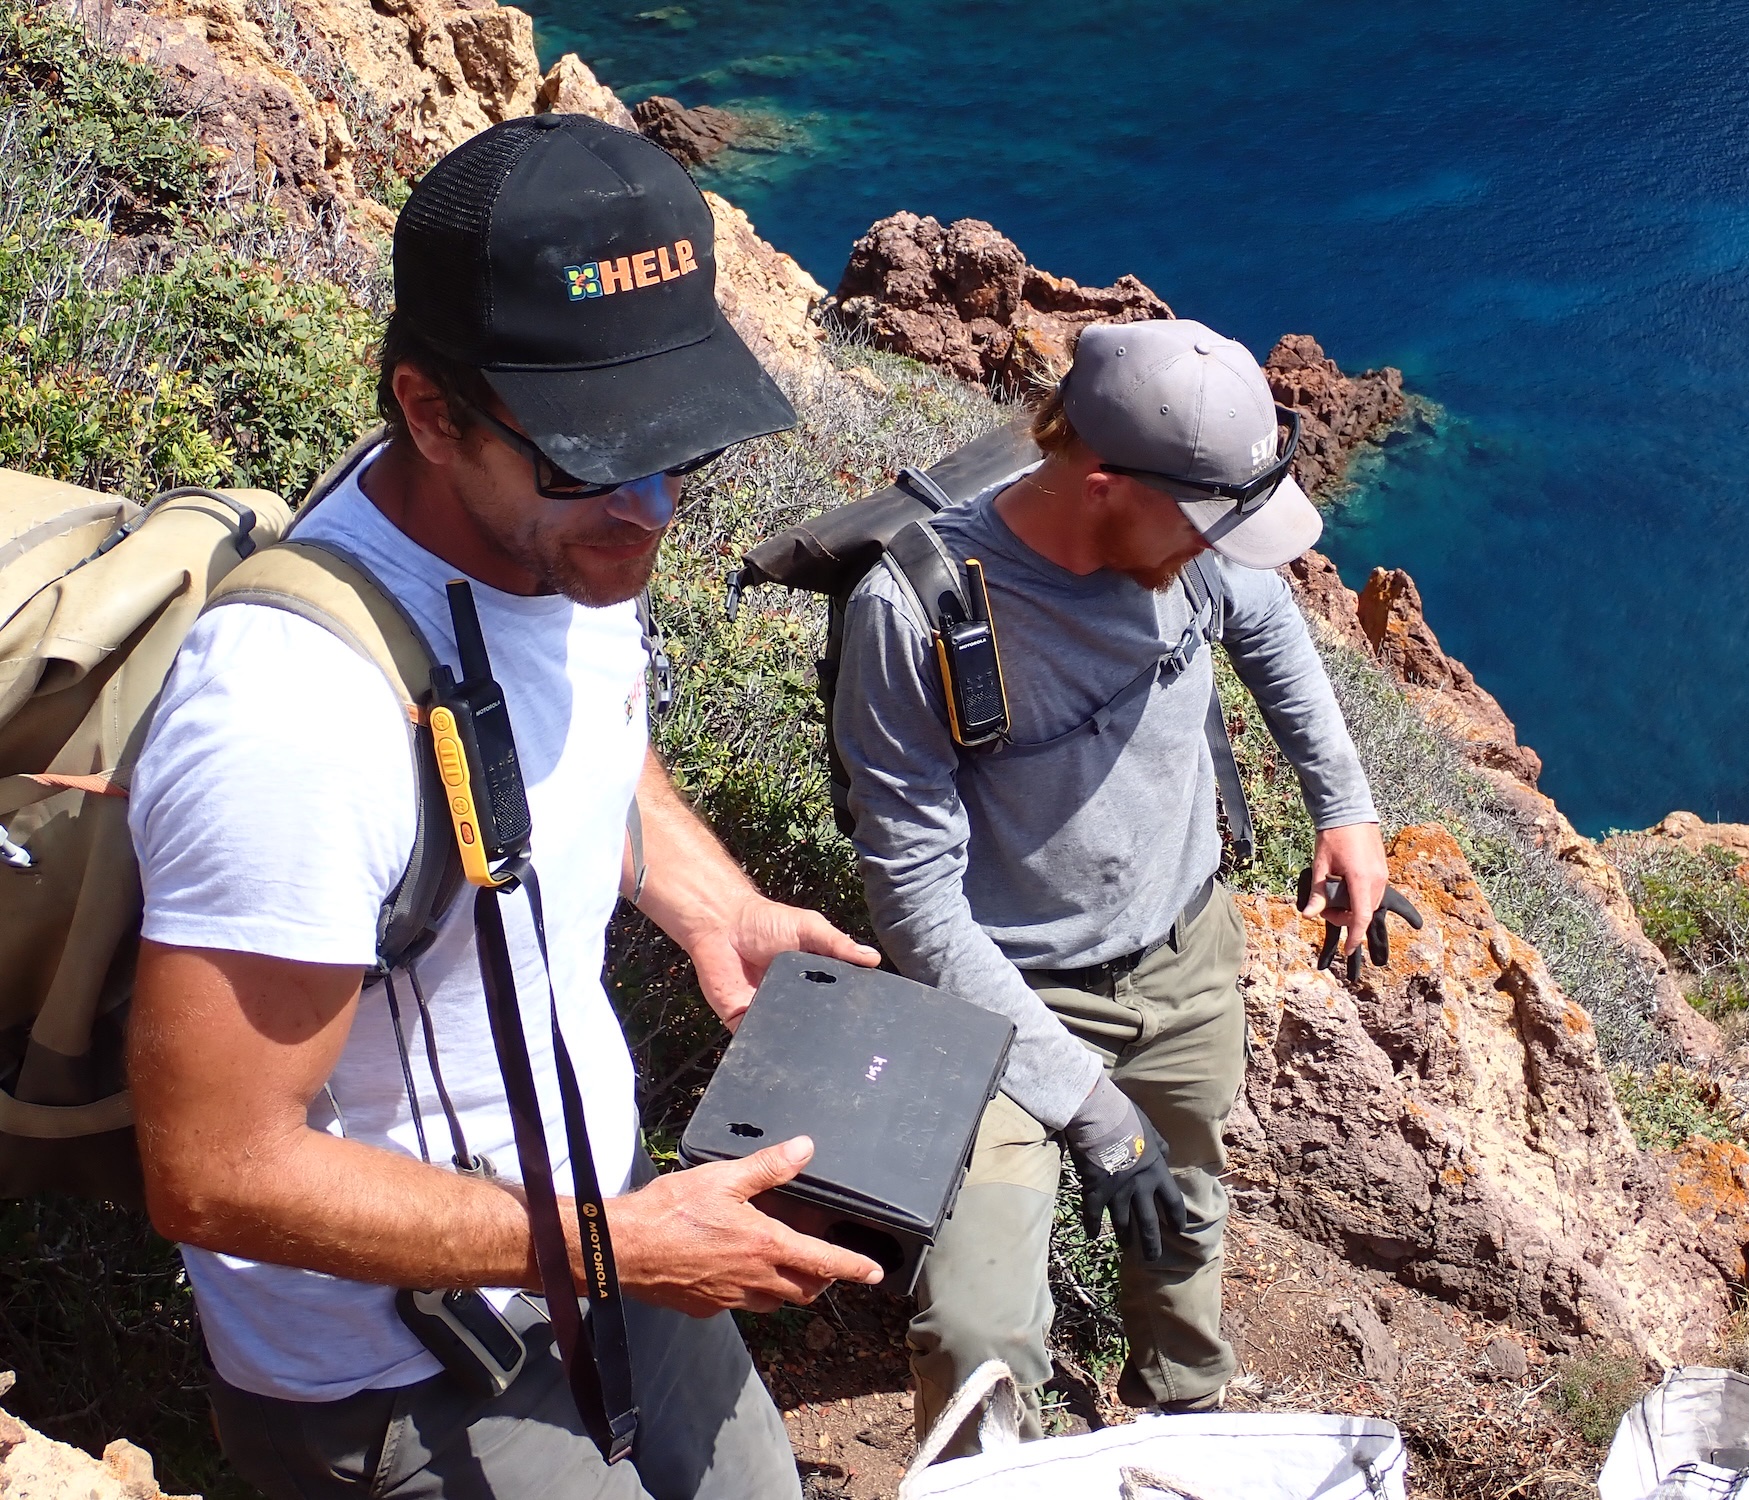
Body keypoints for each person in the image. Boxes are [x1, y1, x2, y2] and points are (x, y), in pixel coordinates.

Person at [124, 114, 883, 1500]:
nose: (650, 510)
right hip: (407, 1366)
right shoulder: (292, 716)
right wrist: (615, 1247)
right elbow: (216, 1167)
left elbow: (578, 731)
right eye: (595, 457)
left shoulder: (561, 546)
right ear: (430, 412)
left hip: (611, 1235)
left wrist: (714, 902)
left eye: (679, 451)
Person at [833, 318, 1389, 1450]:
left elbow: (1270, 627)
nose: (1222, 551)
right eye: (1205, 528)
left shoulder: (1194, 542)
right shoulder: (916, 612)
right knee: (976, 1330)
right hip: (999, 1004)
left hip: (1185, 957)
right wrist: (1097, 1116)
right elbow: (918, 909)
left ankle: (1186, 1421)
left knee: (1184, 1222)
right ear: (1101, 486)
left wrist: (1345, 809)